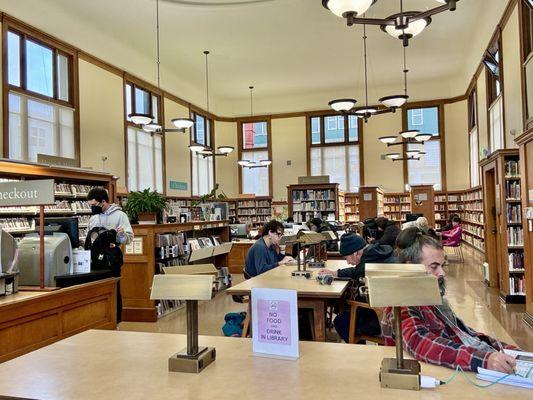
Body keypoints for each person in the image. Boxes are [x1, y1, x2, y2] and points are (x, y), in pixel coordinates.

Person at [381, 227, 517, 373]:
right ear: (410, 267)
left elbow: (461, 332)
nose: (442, 273)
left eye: (442, 265)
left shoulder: (428, 297)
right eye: (434, 267)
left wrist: (508, 351)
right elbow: (419, 341)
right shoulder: (403, 302)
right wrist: (485, 360)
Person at [318, 233, 396, 342]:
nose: (348, 262)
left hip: (381, 317)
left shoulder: (369, 263)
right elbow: (356, 271)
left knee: (340, 321)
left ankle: (359, 350)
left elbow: (356, 271)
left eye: (347, 258)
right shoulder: (377, 254)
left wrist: (334, 273)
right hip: (394, 312)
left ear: (355, 253)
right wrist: (335, 273)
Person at [87, 187, 134, 323]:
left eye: (94, 205)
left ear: (103, 202)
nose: (92, 208)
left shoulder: (120, 216)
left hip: (111, 259)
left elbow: (129, 238)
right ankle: (102, 320)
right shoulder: (93, 218)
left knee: (114, 290)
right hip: (95, 260)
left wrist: (121, 235)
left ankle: (116, 321)